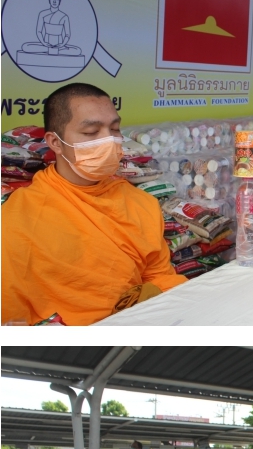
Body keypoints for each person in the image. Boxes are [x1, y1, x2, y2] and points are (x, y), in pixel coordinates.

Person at [2, 82, 186, 326]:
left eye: (115, 128)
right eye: (91, 133)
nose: (108, 141)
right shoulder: (18, 218)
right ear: (55, 142)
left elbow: (159, 277)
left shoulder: (142, 203)